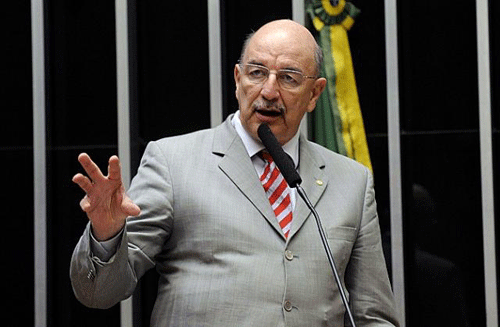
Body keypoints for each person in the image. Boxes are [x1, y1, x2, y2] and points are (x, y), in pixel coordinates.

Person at [70, 19, 399, 326]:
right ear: (238, 79)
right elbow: (99, 294)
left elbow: (374, 315)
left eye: (288, 78)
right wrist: (107, 236)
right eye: (257, 73)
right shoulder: (173, 161)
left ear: (314, 94)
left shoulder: (352, 181)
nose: (269, 92)